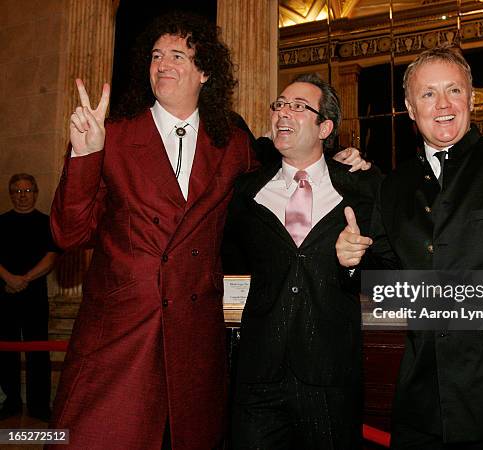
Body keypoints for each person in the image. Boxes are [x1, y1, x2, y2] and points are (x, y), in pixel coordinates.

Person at [49, 11, 367, 450]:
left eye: (178, 55)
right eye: (156, 55)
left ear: (204, 72)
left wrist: (342, 165)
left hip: (194, 343)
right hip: (120, 337)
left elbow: (291, 171)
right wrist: (84, 156)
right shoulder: (113, 134)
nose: (164, 64)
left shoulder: (233, 145)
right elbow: (68, 234)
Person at [336, 44, 483, 449]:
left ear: (471, 98)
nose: (442, 104)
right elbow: (394, 284)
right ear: (411, 108)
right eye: (428, 94)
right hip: (423, 404)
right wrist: (353, 261)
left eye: (454, 90)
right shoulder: (394, 186)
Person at [225, 73, 381, 449]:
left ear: (325, 126)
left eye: (298, 107)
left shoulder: (361, 187)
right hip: (258, 377)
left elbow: (388, 268)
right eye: (280, 104)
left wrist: (355, 264)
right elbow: (226, 258)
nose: (283, 113)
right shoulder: (247, 191)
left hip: (331, 379)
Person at [0, 173, 58, 421]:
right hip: (4, 295)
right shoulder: (0, 222)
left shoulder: (47, 223)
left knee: (38, 351)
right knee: (6, 351)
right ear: (11, 194)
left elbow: (51, 258)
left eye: (27, 191)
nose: (22, 196)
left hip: (35, 295)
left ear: (35, 193)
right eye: (17, 191)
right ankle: (11, 402)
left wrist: (23, 279)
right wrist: (9, 279)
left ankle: (39, 405)